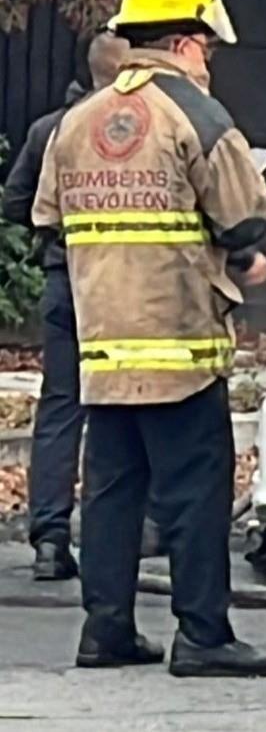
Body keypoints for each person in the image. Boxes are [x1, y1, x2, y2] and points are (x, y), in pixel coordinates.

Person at [31, 0, 266, 676]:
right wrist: (247, 259)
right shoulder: (198, 118)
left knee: (110, 492)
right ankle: (202, 634)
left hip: (102, 349)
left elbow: (49, 219)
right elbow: (246, 218)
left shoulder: (75, 124)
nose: (209, 58)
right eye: (207, 45)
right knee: (196, 494)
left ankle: (104, 628)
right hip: (180, 348)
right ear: (183, 41)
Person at [3, 31, 127, 581]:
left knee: (60, 409)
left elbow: (16, 201)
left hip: (65, 279)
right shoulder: (138, 128)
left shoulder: (50, 129)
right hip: (128, 287)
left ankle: (50, 538)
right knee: (128, 409)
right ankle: (127, 532)